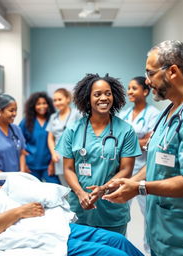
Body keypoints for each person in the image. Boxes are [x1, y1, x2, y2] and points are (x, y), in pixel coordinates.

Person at [103, 40, 183, 256]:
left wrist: (141, 188)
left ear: (173, 71)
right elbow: (155, 160)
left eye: (150, 73)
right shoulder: (169, 111)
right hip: (162, 232)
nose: (148, 81)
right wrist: (129, 182)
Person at [0, 148, 144, 256]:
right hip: (21, 231)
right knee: (113, 254)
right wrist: (19, 212)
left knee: (117, 240)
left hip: (41, 224)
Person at [55, 73, 141, 235]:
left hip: (112, 208)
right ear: (88, 99)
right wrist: (80, 193)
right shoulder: (73, 129)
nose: (104, 98)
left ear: (114, 96)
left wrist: (103, 188)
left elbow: (126, 170)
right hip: (80, 209)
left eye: (108, 93)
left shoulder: (126, 130)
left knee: (113, 251)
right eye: (97, 94)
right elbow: (68, 169)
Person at [119, 76, 159, 252]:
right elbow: (120, 139)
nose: (129, 92)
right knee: (121, 213)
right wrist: (138, 141)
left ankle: (149, 250)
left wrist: (128, 142)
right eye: (128, 88)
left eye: (134, 88)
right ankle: (120, 249)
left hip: (144, 170)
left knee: (148, 215)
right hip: (125, 171)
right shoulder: (124, 114)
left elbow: (150, 141)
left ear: (145, 91)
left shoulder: (154, 114)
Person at [19, 92, 60, 184]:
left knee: (55, 189)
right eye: (38, 104)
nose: (42, 106)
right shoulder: (26, 121)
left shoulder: (53, 120)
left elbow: (56, 142)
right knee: (32, 194)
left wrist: (52, 164)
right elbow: (20, 144)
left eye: (44, 103)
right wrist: (23, 165)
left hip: (49, 165)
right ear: (33, 106)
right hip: (31, 166)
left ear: (48, 105)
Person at [47, 88, 81, 186]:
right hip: (59, 156)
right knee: (65, 186)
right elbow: (50, 138)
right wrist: (53, 153)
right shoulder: (53, 117)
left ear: (68, 99)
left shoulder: (76, 114)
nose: (57, 103)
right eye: (55, 100)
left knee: (77, 184)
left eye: (60, 99)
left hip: (75, 154)